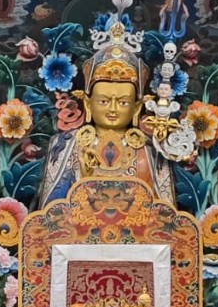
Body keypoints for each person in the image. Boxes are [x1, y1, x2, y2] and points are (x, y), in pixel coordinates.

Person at [38, 43, 175, 206]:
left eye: (123, 102)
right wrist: (83, 178)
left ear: (137, 107)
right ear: (88, 104)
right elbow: (52, 207)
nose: (113, 109)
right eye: (103, 101)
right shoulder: (65, 146)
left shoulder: (151, 150)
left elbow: (164, 210)